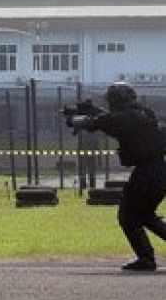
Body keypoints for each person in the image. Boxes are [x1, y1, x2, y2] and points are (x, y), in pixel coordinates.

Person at [66, 82, 166, 271]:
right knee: (144, 215)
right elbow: (112, 120)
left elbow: (97, 123)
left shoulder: (122, 118)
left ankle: (146, 259)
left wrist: (73, 120)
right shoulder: (145, 114)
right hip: (159, 170)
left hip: (147, 173)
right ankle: (146, 258)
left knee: (128, 216)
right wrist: (94, 111)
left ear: (115, 100)